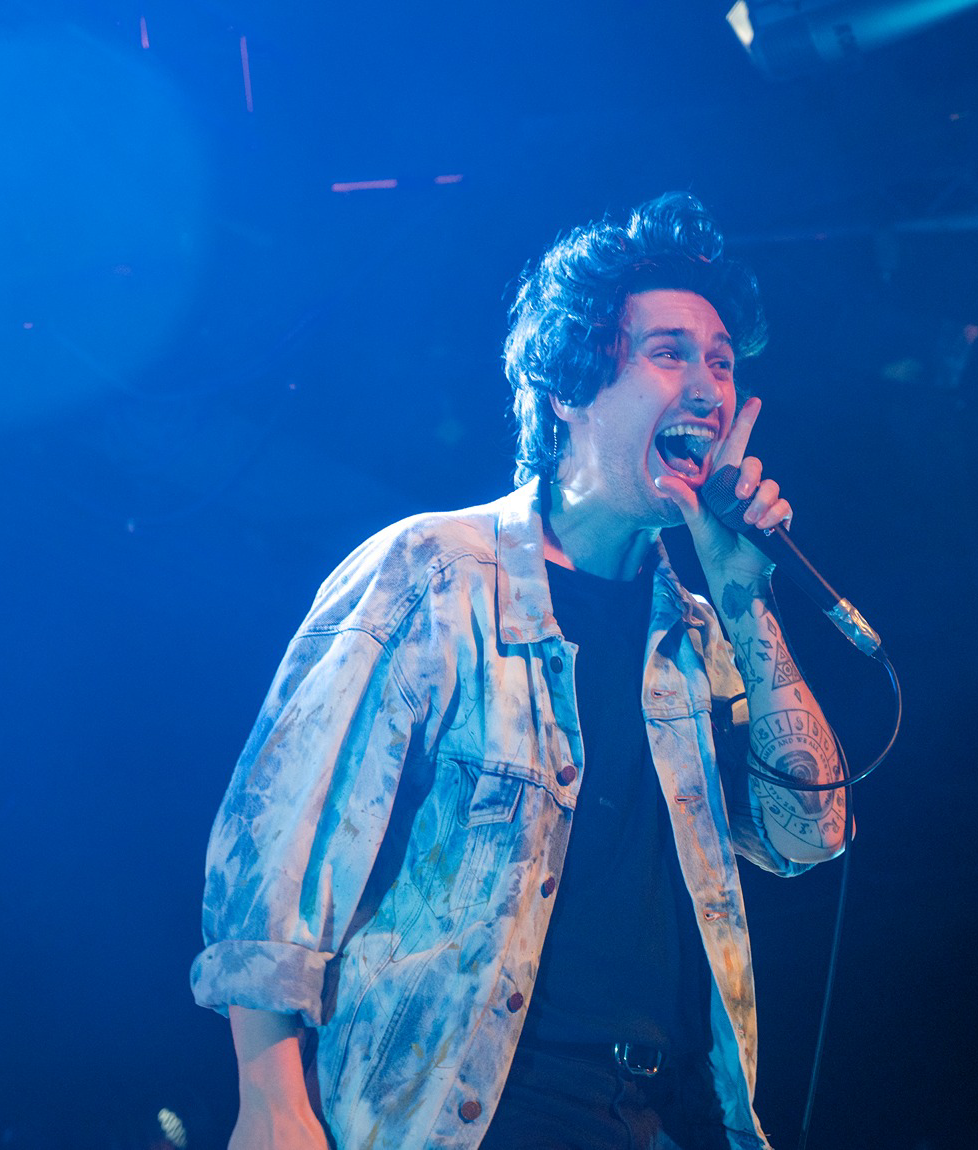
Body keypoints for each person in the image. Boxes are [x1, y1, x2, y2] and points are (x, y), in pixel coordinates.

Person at [190, 192, 848, 1150]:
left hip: (673, 1116)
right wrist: (271, 1101)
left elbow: (810, 835)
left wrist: (748, 602)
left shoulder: (700, 634)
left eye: (721, 361)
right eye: (669, 353)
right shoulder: (434, 574)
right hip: (483, 1112)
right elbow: (278, 841)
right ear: (569, 388)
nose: (709, 388)